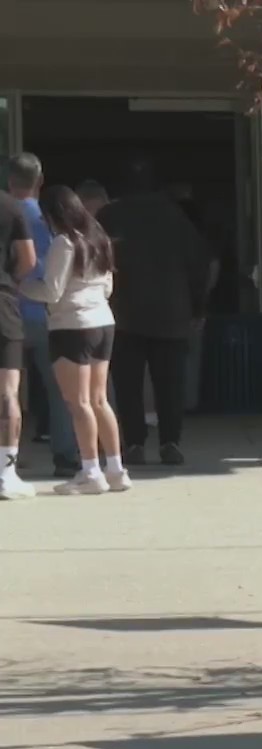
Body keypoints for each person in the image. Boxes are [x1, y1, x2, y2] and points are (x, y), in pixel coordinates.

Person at [97, 158, 208, 467]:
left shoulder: (109, 215)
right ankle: (170, 441)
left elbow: (94, 261)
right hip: (171, 313)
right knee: (170, 383)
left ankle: (134, 442)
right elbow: (197, 265)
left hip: (123, 313)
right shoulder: (176, 217)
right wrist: (197, 307)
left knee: (127, 383)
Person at [22, 186, 129, 495]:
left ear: (53, 215)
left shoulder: (63, 243)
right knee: (99, 400)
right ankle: (116, 469)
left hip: (71, 326)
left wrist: (20, 286)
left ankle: (90, 471)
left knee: (78, 402)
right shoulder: (99, 240)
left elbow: (51, 291)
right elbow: (108, 287)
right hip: (103, 322)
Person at [9, 154, 80, 479]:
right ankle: (65, 455)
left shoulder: (5, 213)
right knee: (59, 390)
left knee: (6, 390)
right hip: (45, 314)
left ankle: (7, 455)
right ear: (40, 181)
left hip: (7, 310)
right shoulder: (49, 219)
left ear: (9, 180)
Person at [0, 181, 39, 500]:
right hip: (3, 303)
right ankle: (6, 471)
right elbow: (28, 260)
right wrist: (10, 280)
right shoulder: (11, 207)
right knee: (8, 391)